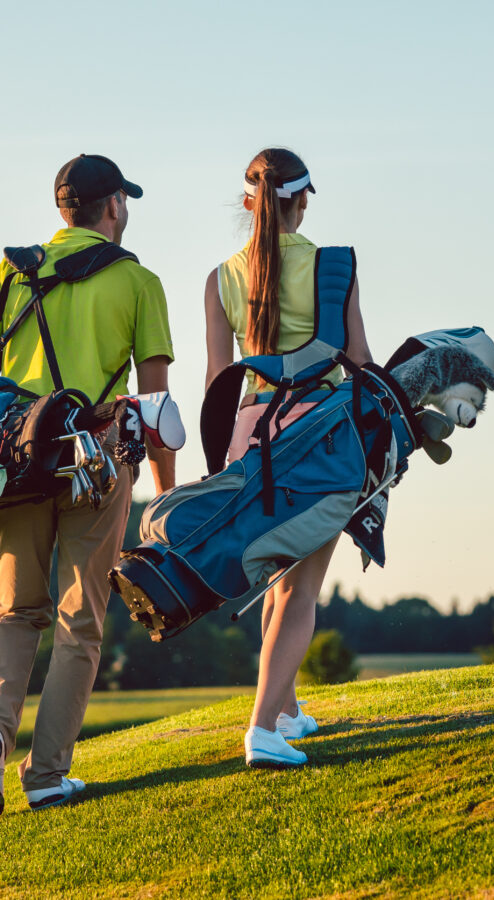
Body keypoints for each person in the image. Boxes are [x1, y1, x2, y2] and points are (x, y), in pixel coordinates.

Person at [0, 154, 176, 813]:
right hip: (95, 466)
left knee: (15, 614)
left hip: (15, 465)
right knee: (79, 619)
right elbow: (154, 406)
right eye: (122, 202)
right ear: (112, 208)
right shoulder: (138, 282)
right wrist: (165, 495)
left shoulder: (11, 272)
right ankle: (46, 777)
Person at [204, 147, 372, 768]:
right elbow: (358, 360)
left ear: (250, 203)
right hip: (319, 435)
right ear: (300, 201)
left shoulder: (220, 276)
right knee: (302, 590)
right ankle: (261, 732)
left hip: (251, 432)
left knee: (276, 579)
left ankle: (285, 711)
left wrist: (223, 461)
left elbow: (219, 379)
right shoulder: (334, 266)